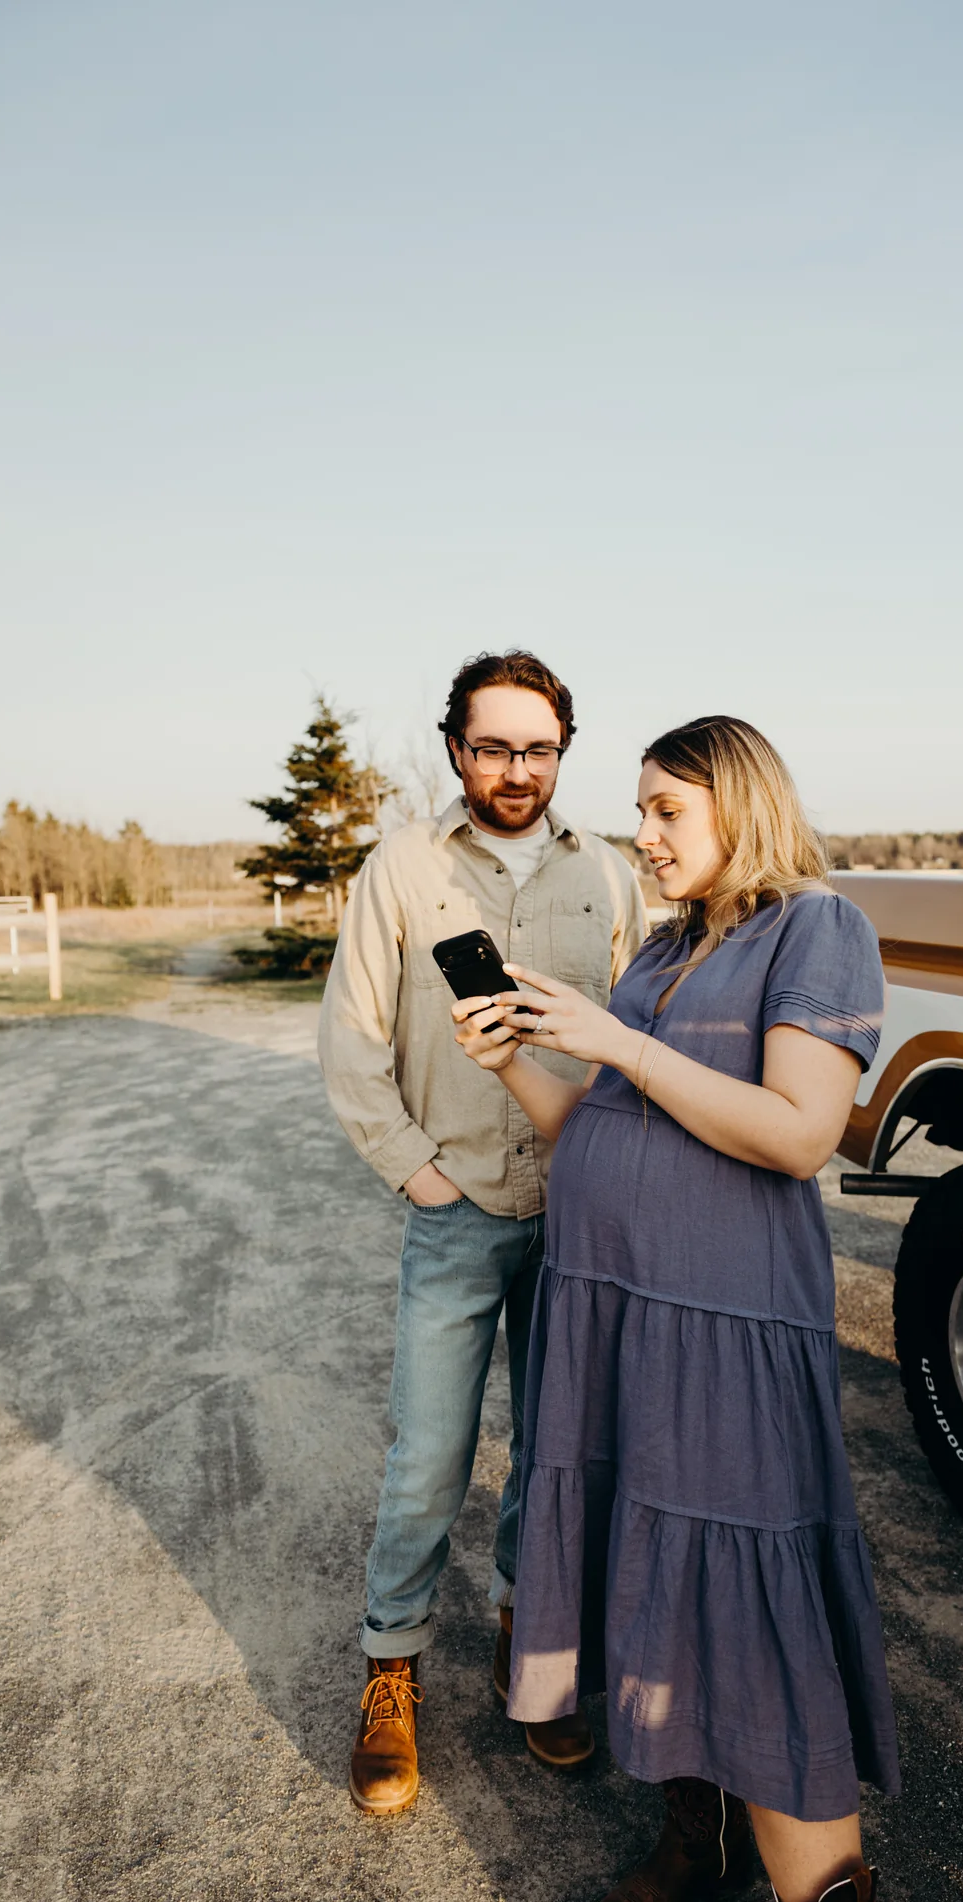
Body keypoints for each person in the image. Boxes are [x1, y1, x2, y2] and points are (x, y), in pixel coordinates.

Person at [453, 715, 900, 1902]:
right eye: (639, 810)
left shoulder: (815, 926)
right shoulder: (663, 946)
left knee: (747, 1615)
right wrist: (520, 1063)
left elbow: (799, 1131)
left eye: (666, 810)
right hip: (616, 1315)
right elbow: (606, 1126)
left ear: (740, 807)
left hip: (721, 1323)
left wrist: (615, 1041)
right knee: (650, 1581)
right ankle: (694, 1841)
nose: (642, 835)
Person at [318, 650, 647, 1817]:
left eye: (538, 747)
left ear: (563, 750)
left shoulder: (610, 875)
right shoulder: (402, 868)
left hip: (577, 1213)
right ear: (456, 748)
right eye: (494, 746)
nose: (516, 769)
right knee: (429, 1454)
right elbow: (351, 1035)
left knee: (555, 1453)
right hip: (456, 1205)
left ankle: (531, 1643)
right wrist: (416, 1171)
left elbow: (637, 1039)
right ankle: (390, 1664)